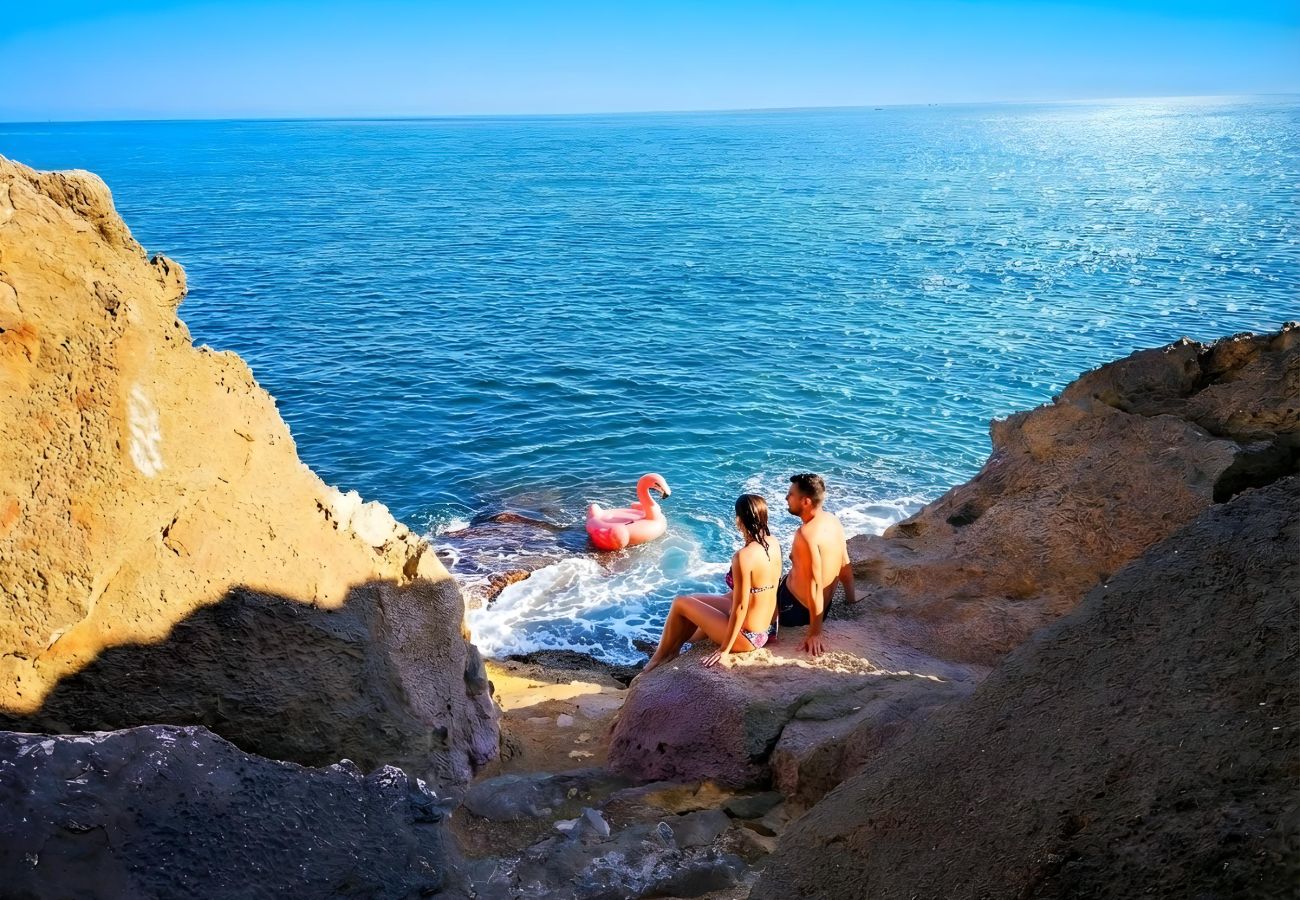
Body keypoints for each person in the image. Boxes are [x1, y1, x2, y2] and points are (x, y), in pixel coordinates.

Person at [642, 494, 782, 674]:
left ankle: (658, 658)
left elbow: (740, 607)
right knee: (693, 600)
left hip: (747, 637)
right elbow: (772, 588)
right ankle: (674, 649)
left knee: (680, 602)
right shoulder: (773, 542)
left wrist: (724, 650)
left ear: (739, 520)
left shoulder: (744, 556)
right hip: (767, 629)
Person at [780, 473, 855, 657]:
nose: (786, 498)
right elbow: (844, 563)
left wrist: (815, 633)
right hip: (823, 607)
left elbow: (813, 585)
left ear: (805, 502)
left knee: (739, 597)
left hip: (796, 611)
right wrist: (851, 599)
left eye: (791, 494)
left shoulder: (805, 535)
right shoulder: (833, 520)